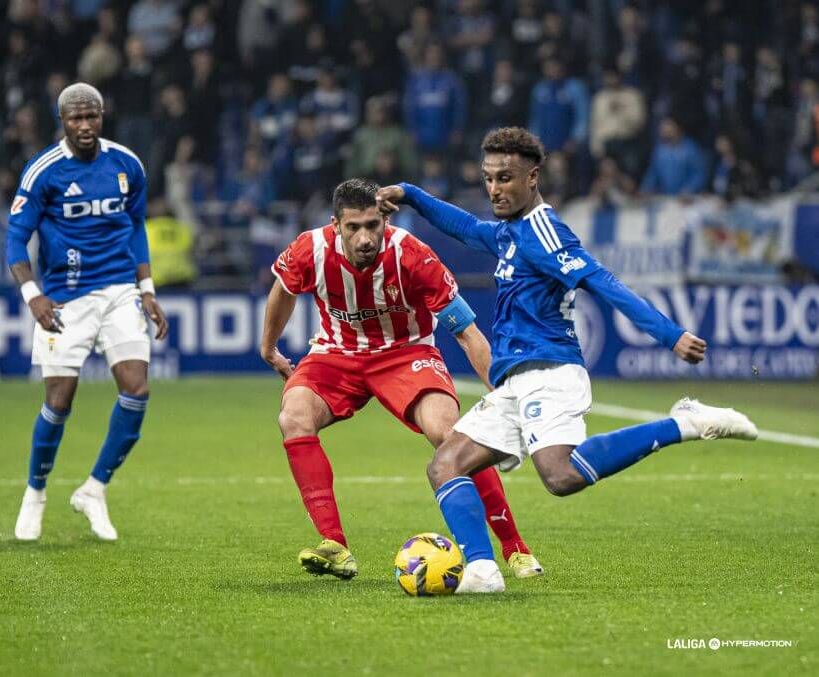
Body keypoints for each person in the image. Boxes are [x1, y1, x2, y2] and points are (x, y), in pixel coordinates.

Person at [376, 127, 758, 594]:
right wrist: (411, 194)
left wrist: (670, 335)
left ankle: (684, 423)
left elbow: (601, 281)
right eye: (488, 178)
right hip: (514, 380)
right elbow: (467, 227)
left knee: (560, 476)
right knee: (445, 465)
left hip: (551, 372)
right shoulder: (509, 232)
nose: (494, 188)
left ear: (533, 177)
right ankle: (482, 570)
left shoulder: (544, 231)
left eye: (506, 178)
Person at [260, 178, 541, 580]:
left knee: (451, 433)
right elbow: (283, 290)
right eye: (353, 227)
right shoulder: (311, 248)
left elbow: (467, 332)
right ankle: (335, 544)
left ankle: (514, 548)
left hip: (405, 353)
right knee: (294, 416)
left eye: (372, 226)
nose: (364, 238)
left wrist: (501, 392)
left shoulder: (413, 256)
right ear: (335, 224)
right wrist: (269, 346)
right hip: (336, 354)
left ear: (385, 220)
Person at [7, 82, 168, 542]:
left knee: (136, 390)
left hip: (119, 291)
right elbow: (15, 239)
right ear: (62, 120)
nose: (84, 125)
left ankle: (94, 488)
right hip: (64, 298)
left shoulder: (127, 164)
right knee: (59, 401)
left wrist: (147, 288)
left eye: (91, 116)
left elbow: (135, 224)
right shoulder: (43, 172)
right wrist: (32, 295)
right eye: (75, 118)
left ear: (102, 116)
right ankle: (35, 493)